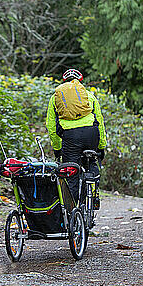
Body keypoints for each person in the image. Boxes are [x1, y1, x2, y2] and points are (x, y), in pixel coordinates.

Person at [46, 68, 107, 206]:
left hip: (70, 137)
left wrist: (57, 148)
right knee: (91, 162)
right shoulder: (88, 95)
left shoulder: (55, 98)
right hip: (91, 134)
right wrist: (101, 146)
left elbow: (51, 126)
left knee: (71, 172)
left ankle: (72, 210)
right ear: (80, 81)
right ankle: (94, 195)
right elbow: (100, 123)